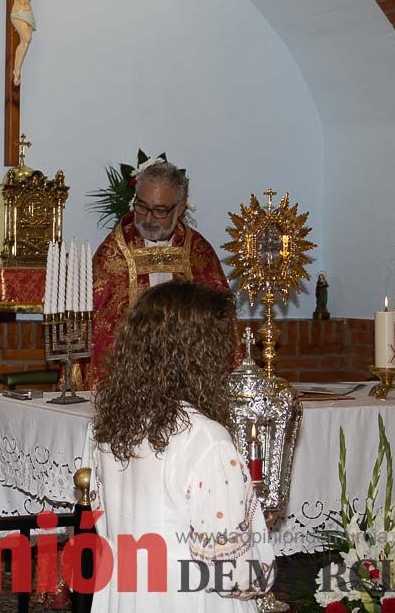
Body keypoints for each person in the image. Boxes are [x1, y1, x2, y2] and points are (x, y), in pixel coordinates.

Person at [89, 281, 274, 612]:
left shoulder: (113, 426)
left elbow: (104, 523)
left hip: (127, 591)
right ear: (200, 353)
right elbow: (231, 573)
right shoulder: (206, 439)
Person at [90, 160, 230, 371]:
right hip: (128, 376)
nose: (147, 218)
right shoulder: (113, 254)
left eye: (159, 210)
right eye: (142, 206)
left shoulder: (199, 254)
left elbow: (221, 321)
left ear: (180, 208)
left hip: (187, 373)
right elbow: (97, 330)